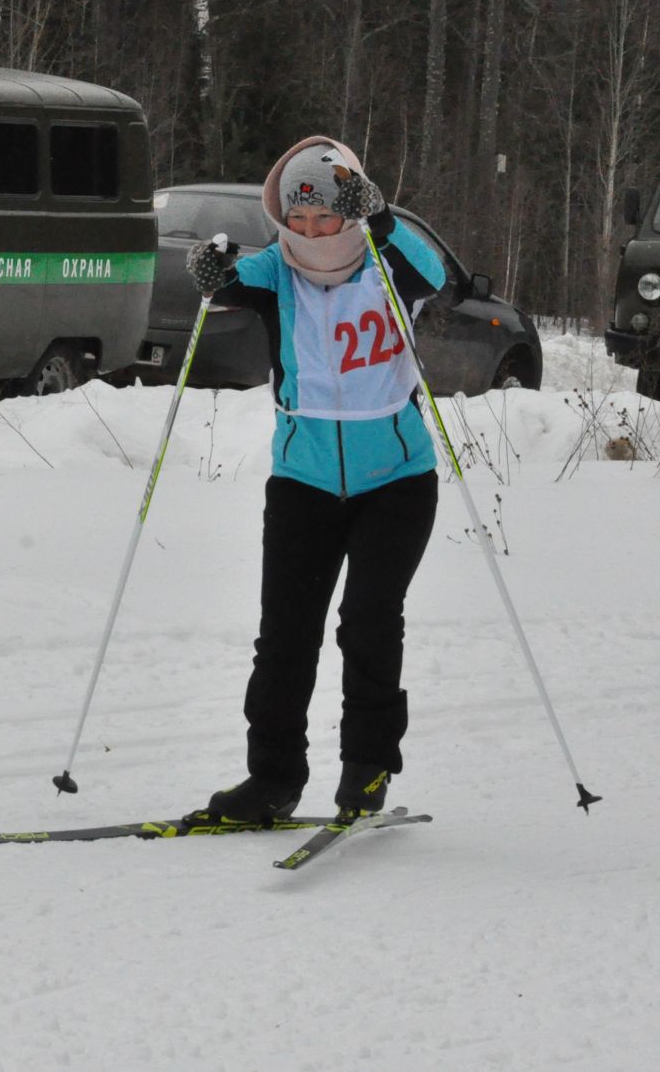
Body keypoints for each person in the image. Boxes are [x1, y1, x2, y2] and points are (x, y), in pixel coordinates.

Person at [183, 135, 446, 824]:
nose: (309, 230)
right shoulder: (278, 268)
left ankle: (366, 769)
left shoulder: (387, 260)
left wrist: (380, 218)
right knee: (286, 634)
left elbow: (436, 273)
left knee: (367, 620)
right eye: (297, 218)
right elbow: (231, 288)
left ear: (349, 211)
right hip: (302, 482)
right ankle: (271, 777)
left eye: (324, 215)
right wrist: (212, 273)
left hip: (396, 479)